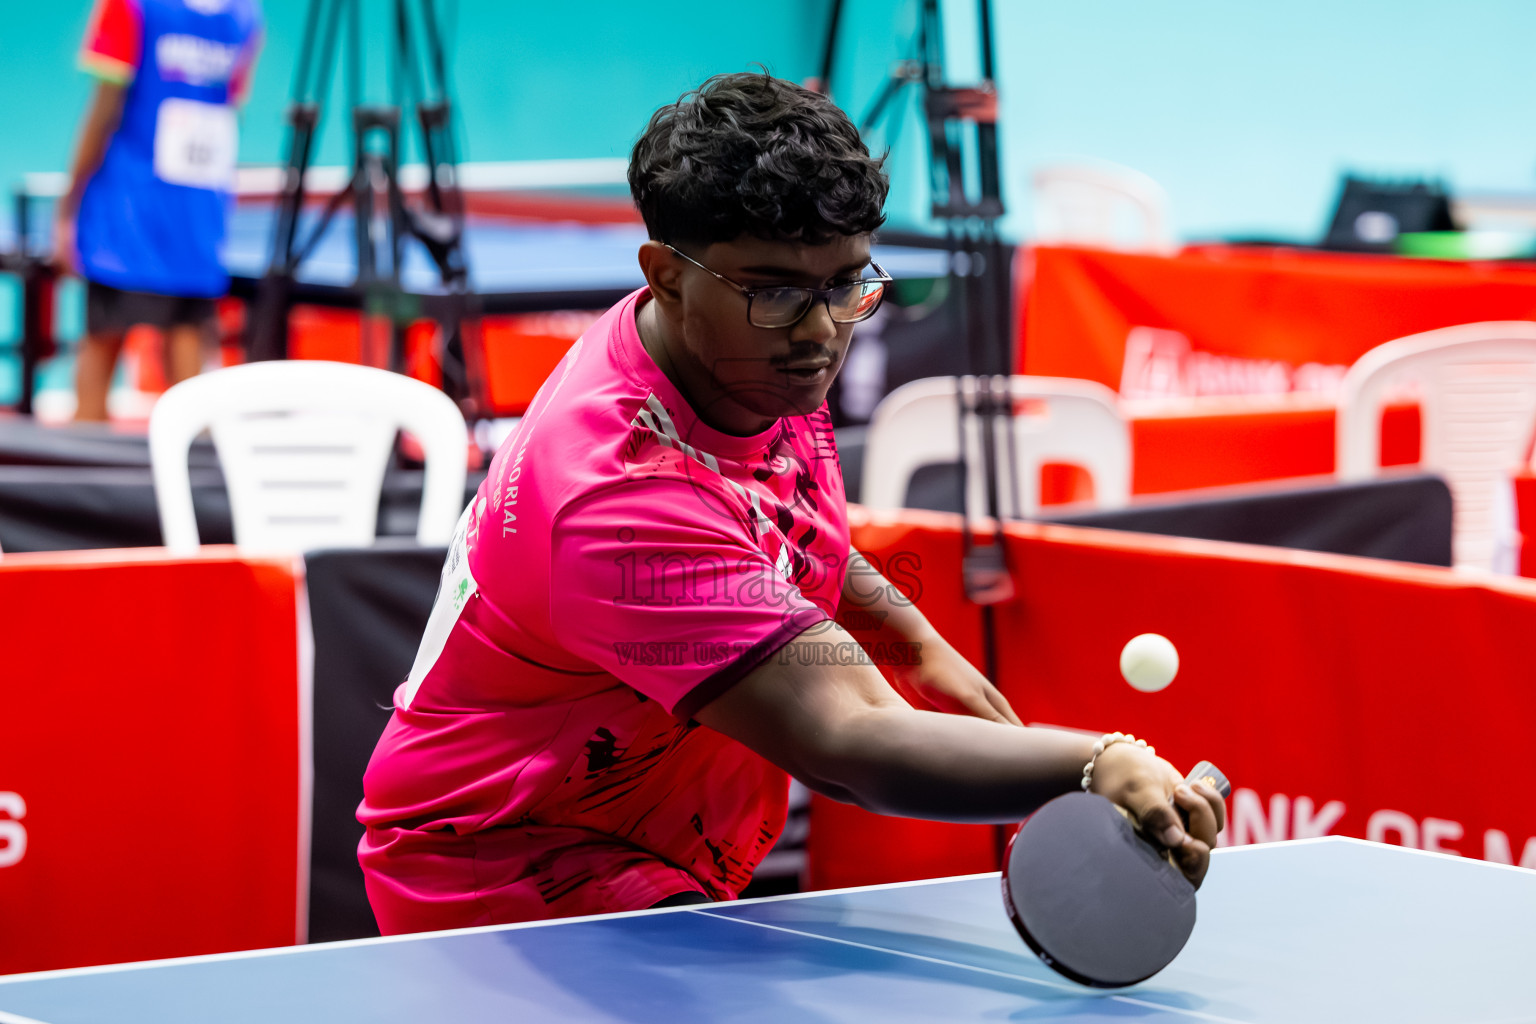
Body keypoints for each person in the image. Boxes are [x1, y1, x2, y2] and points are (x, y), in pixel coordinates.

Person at [357, 72, 1225, 932]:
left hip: (639, 837)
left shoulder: (731, 367)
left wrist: (919, 652)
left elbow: (782, 532)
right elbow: (844, 741)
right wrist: (1097, 761)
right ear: (664, 274)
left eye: (846, 285)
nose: (819, 332)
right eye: (775, 291)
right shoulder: (617, 501)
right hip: (506, 874)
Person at [54, 0, 263, 422]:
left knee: (101, 349)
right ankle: (194, 481)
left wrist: (68, 205)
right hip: (198, 215)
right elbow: (231, 109)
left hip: (128, 211)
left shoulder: (128, 5)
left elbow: (104, 110)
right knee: (188, 355)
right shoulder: (245, 16)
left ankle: (80, 475)